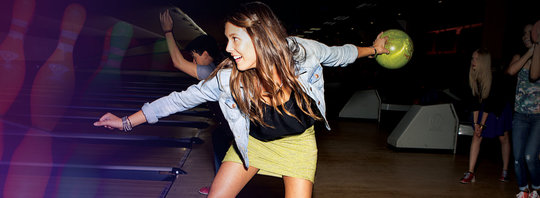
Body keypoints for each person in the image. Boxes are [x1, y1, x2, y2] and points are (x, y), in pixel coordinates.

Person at [94, 2, 389, 197]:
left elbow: (341, 55)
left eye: (235, 39)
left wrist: (373, 50)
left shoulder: (303, 53)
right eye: (227, 39)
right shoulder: (229, 77)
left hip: (297, 146)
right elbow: (180, 99)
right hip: (253, 145)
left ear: (260, 36)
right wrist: (126, 122)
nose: (228, 48)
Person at [160, 9, 233, 195]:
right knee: (219, 139)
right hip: (230, 125)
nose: (193, 60)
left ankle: (222, 187)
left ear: (206, 54)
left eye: (195, 56)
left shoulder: (210, 70)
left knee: (223, 142)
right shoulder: (220, 64)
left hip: (235, 125)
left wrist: (168, 31)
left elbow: (177, 62)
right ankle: (221, 184)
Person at [459, 48, 512, 184]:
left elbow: (490, 104)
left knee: (503, 137)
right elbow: (474, 103)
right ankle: (470, 173)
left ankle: (505, 171)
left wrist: (482, 124)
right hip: (484, 107)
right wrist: (477, 124)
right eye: (472, 58)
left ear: (484, 62)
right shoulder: (473, 77)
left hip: (498, 108)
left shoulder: (495, 77)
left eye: (477, 59)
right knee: (477, 135)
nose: (473, 61)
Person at [505, 22, 540, 198]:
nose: (526, 36)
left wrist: (538, 50)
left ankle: (536, 188)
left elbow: (535, 75)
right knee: (517, 157)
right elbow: (511, 71)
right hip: (520, 115)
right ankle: (523, 190)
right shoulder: (519, 56)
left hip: (538, 117)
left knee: (529, 156)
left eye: (530, 33)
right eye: (524, 34)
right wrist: (530, 52)